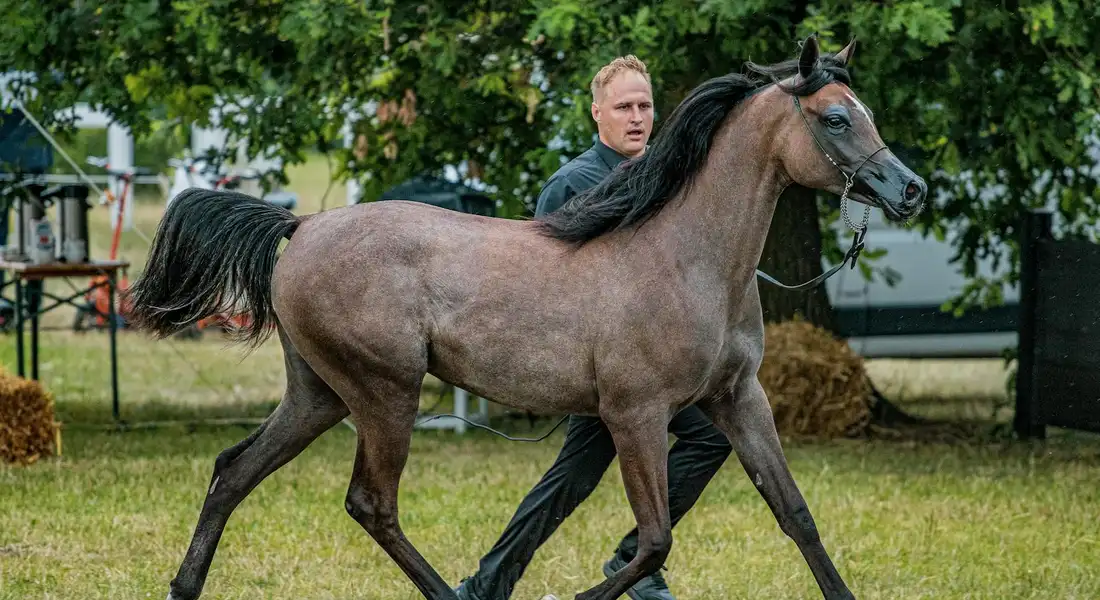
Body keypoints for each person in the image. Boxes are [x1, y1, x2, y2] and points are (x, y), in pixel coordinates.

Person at [454, 55, 733, 600]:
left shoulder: (672, 178)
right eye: (624, 107)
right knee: (574, 481)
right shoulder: (572, 184)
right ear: (596, 114)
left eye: (645, 106)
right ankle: (627, 565)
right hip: (596, 369)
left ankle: (626, 559)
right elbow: (539, 282)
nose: (636, 117)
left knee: (700, 441)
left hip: (653, 368)